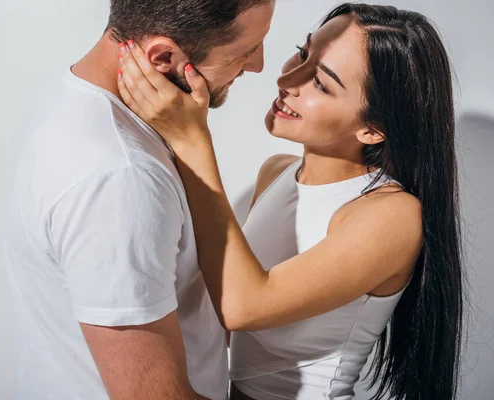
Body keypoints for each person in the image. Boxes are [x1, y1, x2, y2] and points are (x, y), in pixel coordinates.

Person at [116, 3, 464, 400]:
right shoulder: (276, 172)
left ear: (372, 129)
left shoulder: (391, 215)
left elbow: (242, 307)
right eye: (303, 52)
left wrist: (192, 139)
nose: (288, 78)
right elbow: (220, 320)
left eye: (321, 83)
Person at [4, 1, 275, 399]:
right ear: (163, 57)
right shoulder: (120, 177)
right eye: (244, 52)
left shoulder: (78, 95)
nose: (259, 66)